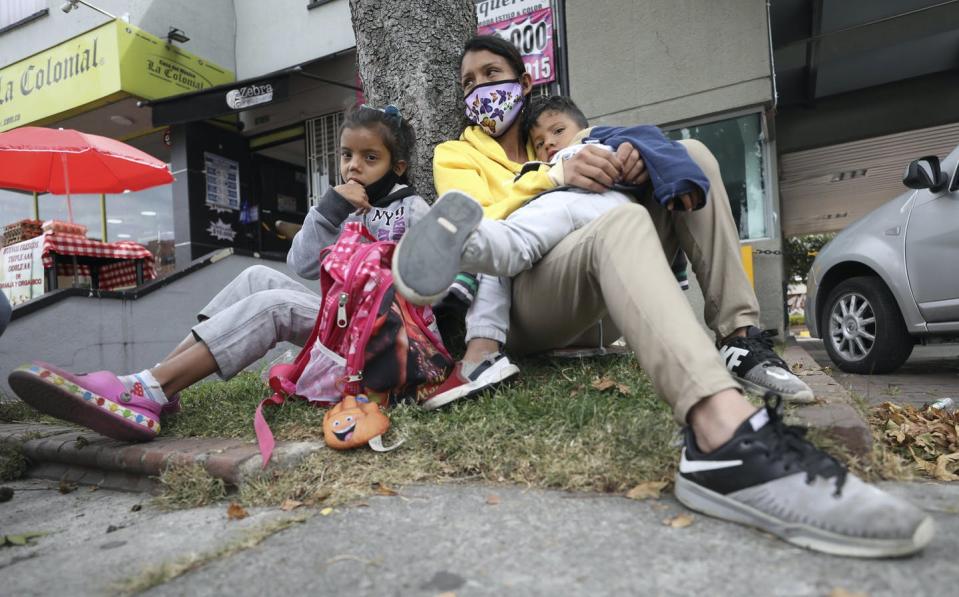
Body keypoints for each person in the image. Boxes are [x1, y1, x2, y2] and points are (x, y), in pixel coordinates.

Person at [397, 34, 934, 557]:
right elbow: (478, 209)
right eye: (468, 82)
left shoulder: (574, 136)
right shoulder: (457, 153)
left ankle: (740, 336)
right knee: (605, 224)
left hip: (590, 266)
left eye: (491, 75)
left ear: (524, 80)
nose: (479, 90)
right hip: (522, 299)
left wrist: (632, 161)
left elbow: (620, 171)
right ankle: (722, 439)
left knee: (687, 155)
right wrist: (553, 172)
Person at [8, 104, 434, 442]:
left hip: (380, 335)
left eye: (370, 157)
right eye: (347, 155)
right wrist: (329, 210)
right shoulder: (339, 205)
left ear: (397, 167)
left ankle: (148, 389)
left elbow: (435, 280)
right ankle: (159, 385)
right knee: (255, 279)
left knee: (276, 304)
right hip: (340, 322)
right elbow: (301, 264)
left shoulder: (413, 209)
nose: (353, 166)